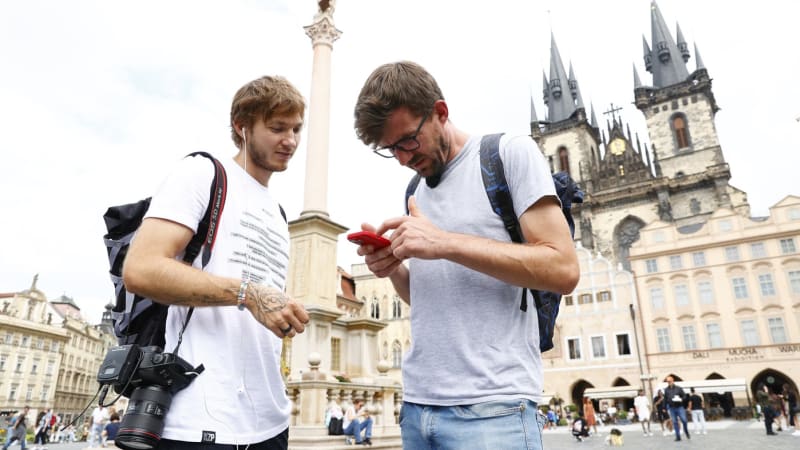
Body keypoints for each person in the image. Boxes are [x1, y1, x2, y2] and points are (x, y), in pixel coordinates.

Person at [352, 61, 579, 450]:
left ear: (440, 112)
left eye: (408, 140)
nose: (404, 158)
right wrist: (392, 270)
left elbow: (562, 267)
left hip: (494, 408)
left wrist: (445, 242)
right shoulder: (416, 189)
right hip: (419, 407)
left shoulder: (507, 154)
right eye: (391, 150)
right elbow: (429, 299)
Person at [122, 75, 311, 450]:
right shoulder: (202, 173)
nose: (290, 140)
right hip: (197, 421)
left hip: (269, 424)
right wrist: (248, 293)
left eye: (296, 129)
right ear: (242, 127)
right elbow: (140, 269)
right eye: (277, 128)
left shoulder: (277, 212)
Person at [663, 376, 690, 441]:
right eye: (667, 381)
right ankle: (678, 437)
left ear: (673, 381)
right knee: (675, 422)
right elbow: (665, 399)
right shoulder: (666, 390)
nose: (668, 382)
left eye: (669, 381)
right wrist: (664, 407)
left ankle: (686, 431)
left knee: (684, 420)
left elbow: (684, 396)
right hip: (672, 408)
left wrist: (681, 399)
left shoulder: (679, 388)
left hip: (679, 407)